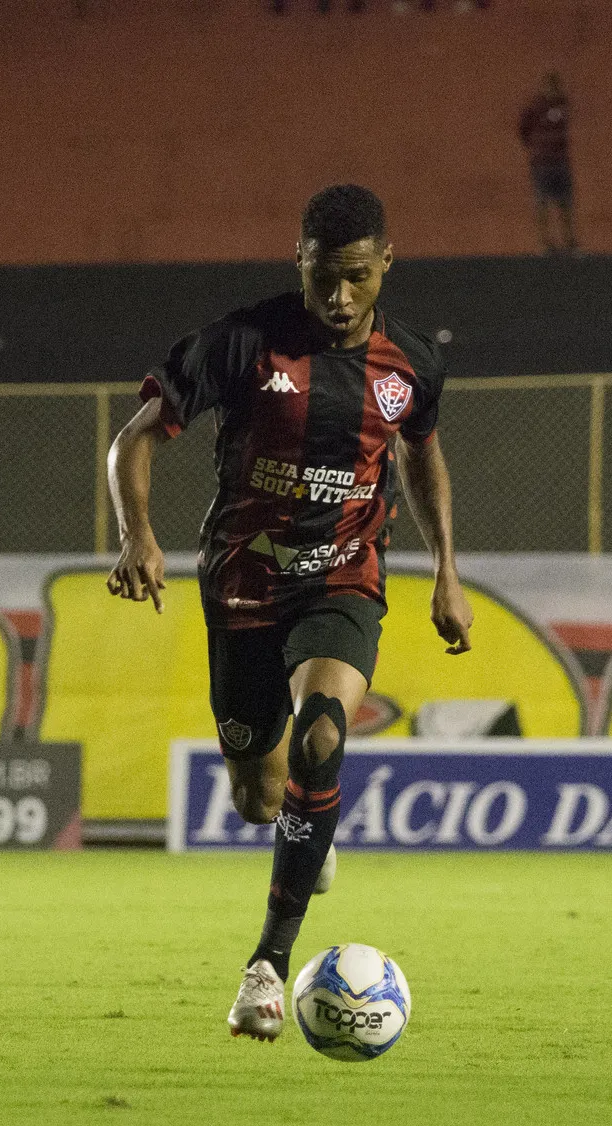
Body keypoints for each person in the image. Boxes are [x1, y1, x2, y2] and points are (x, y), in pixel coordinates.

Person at [107, 184, 473, 1042]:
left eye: (356, 277)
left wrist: (448, 570)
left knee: (322, 733)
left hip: (344, 575)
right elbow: (133, 438)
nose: (339, 299)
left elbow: (422, 458)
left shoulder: (412, 365)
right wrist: (137, 536)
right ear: (297, 265)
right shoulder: (240, 345)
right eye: (322, 279)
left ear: (386, 264)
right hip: (241, 583)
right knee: (255, 794)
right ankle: (307, 822)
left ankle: (266, 966)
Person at [518, 74, 576, 255]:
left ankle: (569, 240)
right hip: (542, 164)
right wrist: (535, 147)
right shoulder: (535, 107)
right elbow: (523, 128)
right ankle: (545, 242)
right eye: (549, 86)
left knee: (565, 202)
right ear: (543, 88)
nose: (553, 90)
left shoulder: (562, 105)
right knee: (542, 202)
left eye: (555, 86)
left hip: (561, 162)